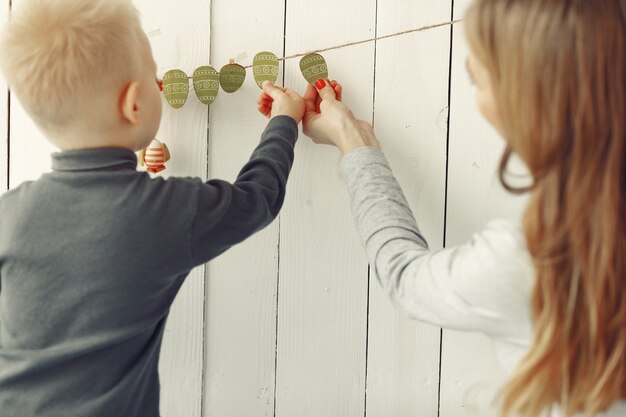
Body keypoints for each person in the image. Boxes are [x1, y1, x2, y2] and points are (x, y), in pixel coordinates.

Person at [295, 0, 626, 416]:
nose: (473, 87)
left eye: (478, 79)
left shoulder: (537, 260)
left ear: (527, 99)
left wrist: (352, 140)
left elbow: (403, 274)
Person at [0, 0, 306, 416]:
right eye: (153, 77)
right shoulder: (170, 210)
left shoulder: (9, 213)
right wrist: (284, 121)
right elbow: (258, 198)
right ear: (134, 105)